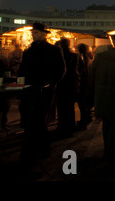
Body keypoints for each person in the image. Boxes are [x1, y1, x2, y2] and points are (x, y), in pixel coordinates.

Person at [17, 22, 65, 171]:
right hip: (31, 90)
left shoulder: (53, 50)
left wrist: (51, 84)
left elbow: (61, 70)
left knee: (36, 120)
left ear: (44, 34)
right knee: (36, 121)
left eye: (36, 32)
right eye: (33, 32)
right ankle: (42, 149)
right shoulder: (29, 51)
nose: (33, 34)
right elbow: (22, 71)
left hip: (43, 90)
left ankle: (35, 152)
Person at [90, 44, 115, 168]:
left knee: (106, 124)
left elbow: (91, 79)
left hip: (102, 97)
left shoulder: (98, 60)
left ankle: (107, 151)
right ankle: (112, 153)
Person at [56, 38, 80, 138]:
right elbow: (77, 71)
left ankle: (62, 126)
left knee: (61, 107)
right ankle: (70, 127)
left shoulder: (58, 56)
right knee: (70, 107)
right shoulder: (74, 56)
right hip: (71, 84)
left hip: (61, 85)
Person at [76, 43, 93, 130]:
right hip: (88, 84)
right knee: (85, 104)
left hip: (83, 84)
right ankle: (86, 119)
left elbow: (81, 72)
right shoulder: (89, 58)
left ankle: (84, 122)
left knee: (82, 104)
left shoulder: (81, 59)